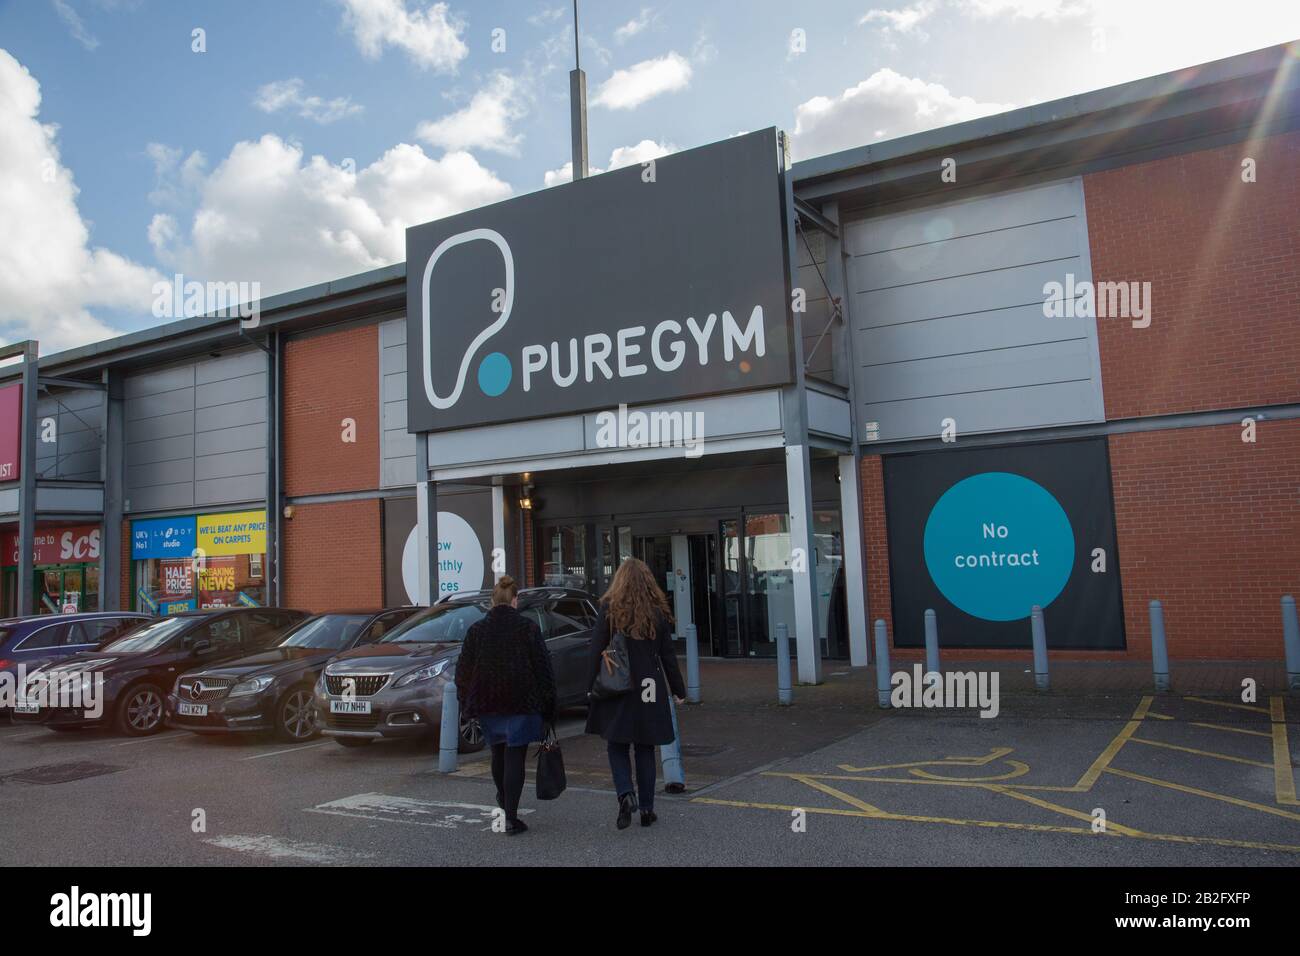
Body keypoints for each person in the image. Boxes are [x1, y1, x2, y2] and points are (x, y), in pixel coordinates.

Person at [586, 557, 687, 829]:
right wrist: (679, 690)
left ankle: (624, 793)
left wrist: (588, 686)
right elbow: (668, 656)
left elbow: (595, 650)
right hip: (649, 687)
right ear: (648, 582)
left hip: (619, 685)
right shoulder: (657, 612)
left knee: (617, 744)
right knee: (645, 745)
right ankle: (647, 809)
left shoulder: (610, 609)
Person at [456, 575, 556, 836]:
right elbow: (543, 669)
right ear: (515, 600)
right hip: (521, 702)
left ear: (492, 601)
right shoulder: (528, 628)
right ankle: (511, 815)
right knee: (515, 756)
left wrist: (466, 703)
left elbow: (463, 672)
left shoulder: (477, 630)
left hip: (488, 702)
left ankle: (503, 797)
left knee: (498, 753)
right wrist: (548, 706)